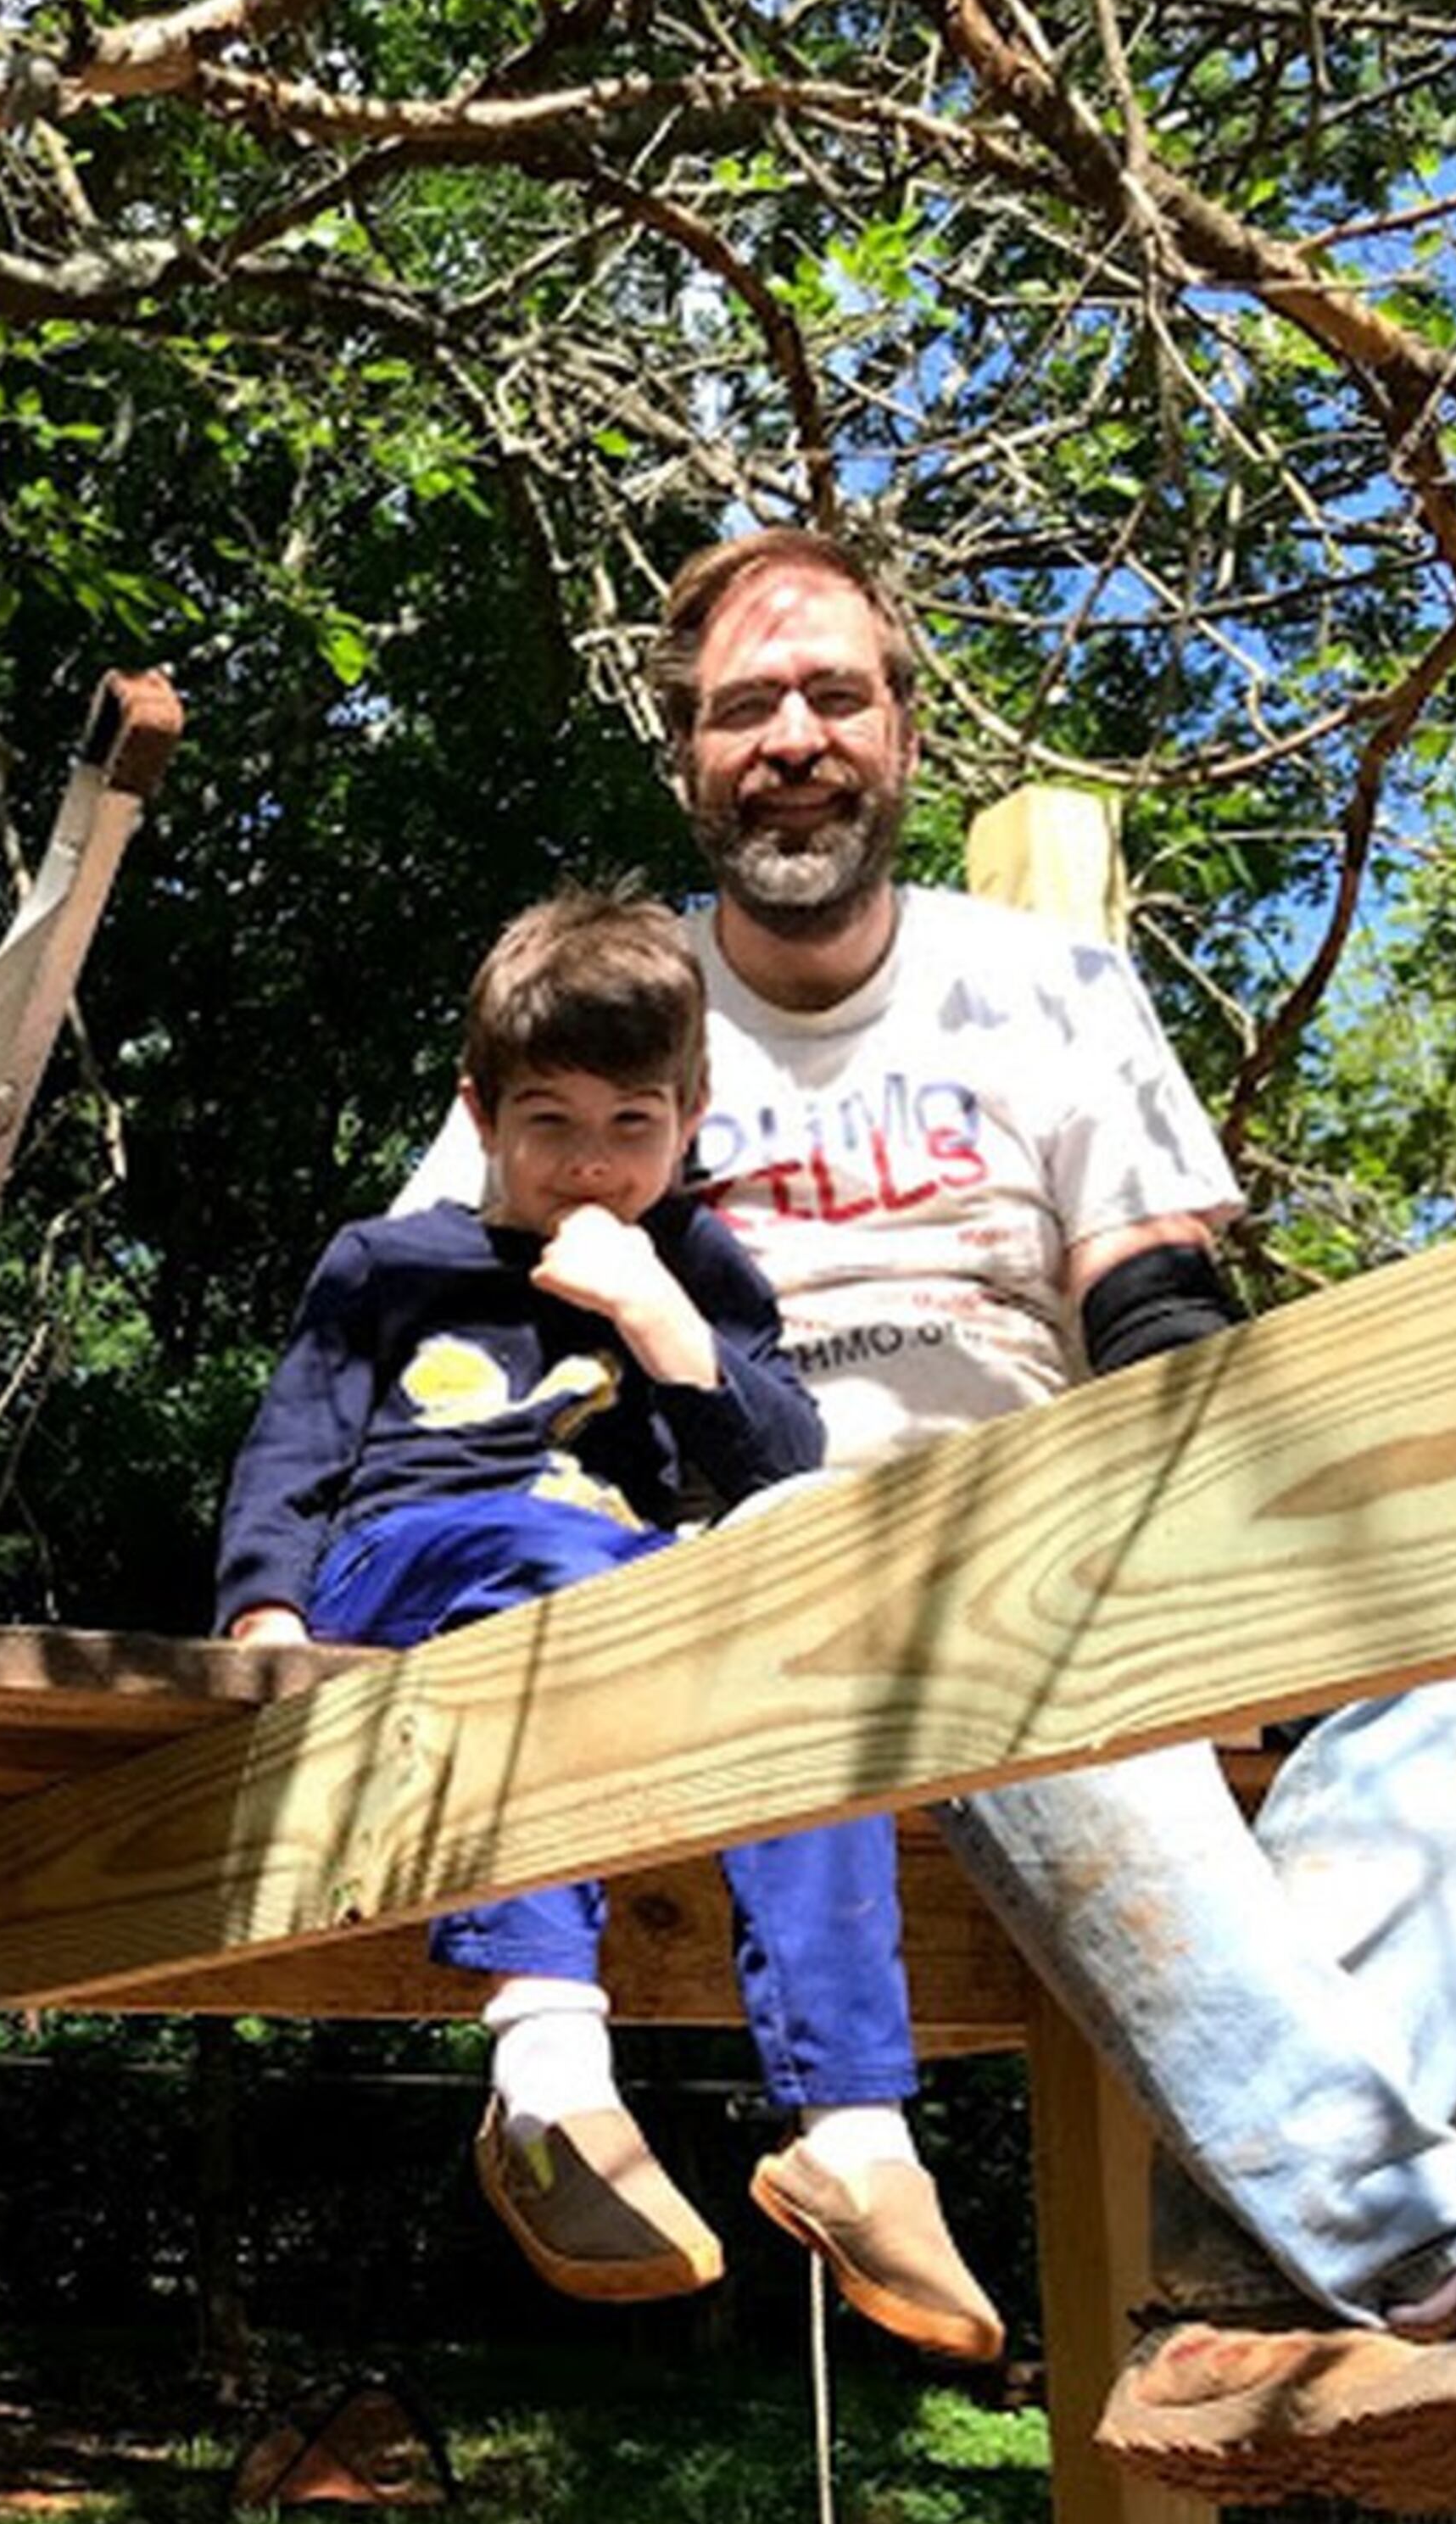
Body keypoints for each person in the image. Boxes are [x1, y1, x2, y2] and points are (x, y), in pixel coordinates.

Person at [401, 523, 1456, 2517]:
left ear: (903, 734)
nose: (791, 738)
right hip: (762, 1563)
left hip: (1067, 1530)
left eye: (832, 696)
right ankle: (1422, 2267)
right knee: (950, 1589)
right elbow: (454, 1331)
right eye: (743, 706)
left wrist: (1251, 1573)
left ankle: (1234, 2297)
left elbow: (1158, 1317)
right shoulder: (611, 1005)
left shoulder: (1038, 985)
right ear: (684, 756)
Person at [224, 886, 1003, 2357]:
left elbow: (781, 1466)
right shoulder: (390, 1265)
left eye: (632, 1127)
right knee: (553, 1554)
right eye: (551, 1124)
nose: (592, 1163)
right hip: (407, 1567)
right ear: (480, 1115)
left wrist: (663, 1326)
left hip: (622, 1588)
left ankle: (855, 2128)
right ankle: (547, 2075)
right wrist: (263, 1611)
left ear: (692, 1117)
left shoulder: (695, 1269)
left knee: (794, 1616)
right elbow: (291, 1455)